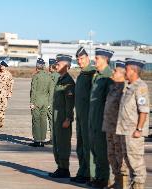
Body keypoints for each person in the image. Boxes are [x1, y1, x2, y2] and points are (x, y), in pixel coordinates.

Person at [116, 58, 150, 189]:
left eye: (127, 68)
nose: (125, 71)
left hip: (134, 133)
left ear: (134, 70)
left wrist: (139, 129)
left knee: (136, 163)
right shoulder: (129, 86)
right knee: (129, 161)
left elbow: (144, 110)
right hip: (125, 131)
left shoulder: (140, 87)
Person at [88, 48, 114, 188]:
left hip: (102, 120)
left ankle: (104, 178)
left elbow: (110, 102)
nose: (94, 60)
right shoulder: (97, 76)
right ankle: (98, 176)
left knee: (102, 150)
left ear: (105, 59)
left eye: (97, 58)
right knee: (95, 149)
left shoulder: (108, 76)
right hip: (93, 119)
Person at [71, 47, 96, 184]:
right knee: (80, 146)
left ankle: (88, 173)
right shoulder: (82, 74)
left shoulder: (92, 73)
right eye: (78, 59)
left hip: (88, 117)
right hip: (80, 117)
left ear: (87, 58)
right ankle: (82, 171)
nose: (79, 61)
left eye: (81, 59)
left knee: (87, 146)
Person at [102, 60, 128, 188]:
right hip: (110, 128)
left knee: (121, 158)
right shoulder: (113, 87)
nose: (113, 72)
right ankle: (117, 181)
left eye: (116, 71)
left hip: (119, 130)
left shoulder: (125, 89)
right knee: (111, 156)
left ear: (123, 73)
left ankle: (123, 184)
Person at [49, 54, 75, 178]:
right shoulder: (60, 80)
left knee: (63, 144)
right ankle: (60, 167)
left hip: (63, 119)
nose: (56, 66)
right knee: (57, 144)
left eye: (59, 64)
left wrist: (68, 118)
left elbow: (70, 103)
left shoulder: (68, 82)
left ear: (67, 66)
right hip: (57, 119)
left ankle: (64, 169)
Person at [29, 58, 52, 147]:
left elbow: (33, 90)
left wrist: (32, 102)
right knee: (43, 121)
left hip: (37, 101)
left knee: (36, 121)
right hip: (45, 102)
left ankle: (37, 140)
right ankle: (42, 140)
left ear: (37, 66)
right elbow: (50, 90)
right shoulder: (48, 76)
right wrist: (49, 102)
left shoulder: (36, 76)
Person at [0, 60, 14, 128]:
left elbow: (11, 83)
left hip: (5, 93)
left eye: (3, 66)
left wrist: (10, 92)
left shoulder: (8, 74)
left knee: (3, 107)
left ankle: (1, 120)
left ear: (5, 67)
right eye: (1, 66)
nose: (1, 67)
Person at [46, 58, 59, 144]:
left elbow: (50, 90)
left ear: (51, 66)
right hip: (58, 101)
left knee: (51, 121)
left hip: (51, 101)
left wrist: (48, 103)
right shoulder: (59, 75)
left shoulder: (52, 76)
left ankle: (53, 139)